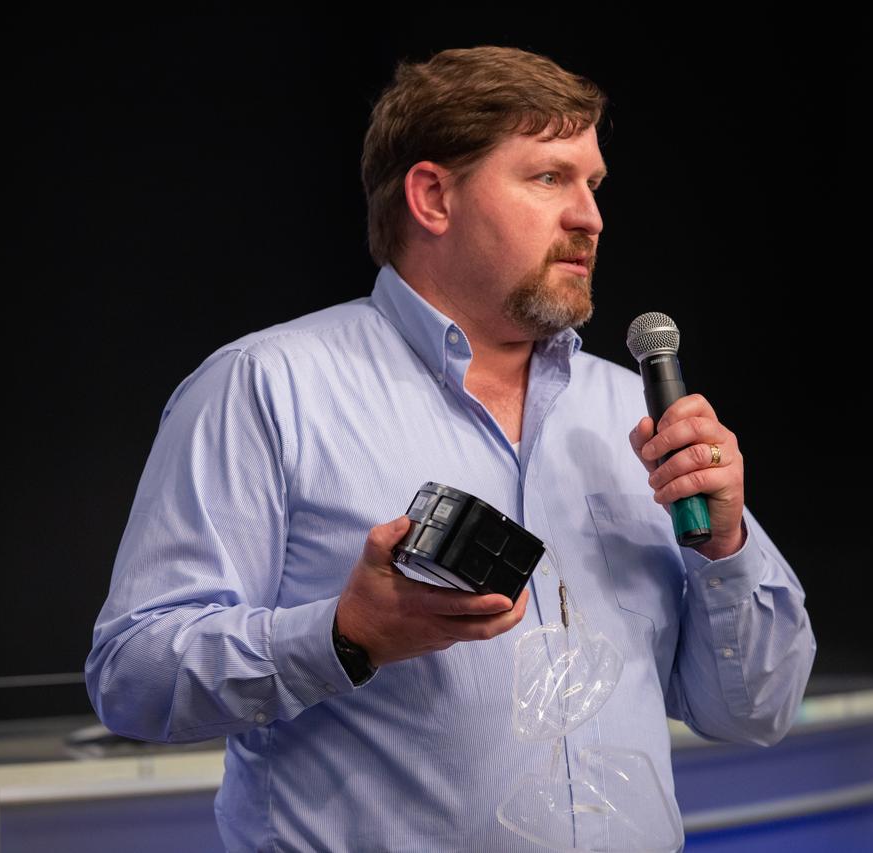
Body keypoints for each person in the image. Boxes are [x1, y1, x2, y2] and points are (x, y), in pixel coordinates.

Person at [86, 46, 815, 852]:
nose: (590, 217)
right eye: (549, 178)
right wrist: (344, 634)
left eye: (594, 185)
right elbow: (132, 677)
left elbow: (755, 710)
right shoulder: (266, 388)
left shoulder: (634, 415)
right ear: (433, 196)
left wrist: (727, 547)